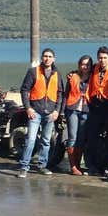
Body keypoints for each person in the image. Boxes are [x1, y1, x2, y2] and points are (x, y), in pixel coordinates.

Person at [17, 48, 64, 177]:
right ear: (42, 58)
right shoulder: (33, 72)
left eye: (50, 56)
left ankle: (42, 165)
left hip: (50, 113)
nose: (47, 58)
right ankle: (24, 166)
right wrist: (28, 108)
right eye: (45, 56)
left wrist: (57, 111)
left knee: (46, 141)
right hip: (35, 111)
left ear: (54, 58)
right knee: (30, 140)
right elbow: (24, 90)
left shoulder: (57, 74)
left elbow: (60, 93)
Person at [84, 46, 108, 177]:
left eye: (105, 58)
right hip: (95, 107)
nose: (102, 60)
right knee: (93, 138)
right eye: (100, 57)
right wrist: (71, 73)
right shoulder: (94, 68)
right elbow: (82, 72)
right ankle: (93, 166)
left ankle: (107, 167)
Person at [64, 55, 93, 176]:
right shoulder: (73, 76)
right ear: (79, 64)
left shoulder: (93, 77)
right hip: (72, 109)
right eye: (83, 64)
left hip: (86, 110)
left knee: (81, 139)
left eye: (87, 64)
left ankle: (78, 164)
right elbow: (66, 94)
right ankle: (73, 166)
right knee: (72, 137)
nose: (85, 66)